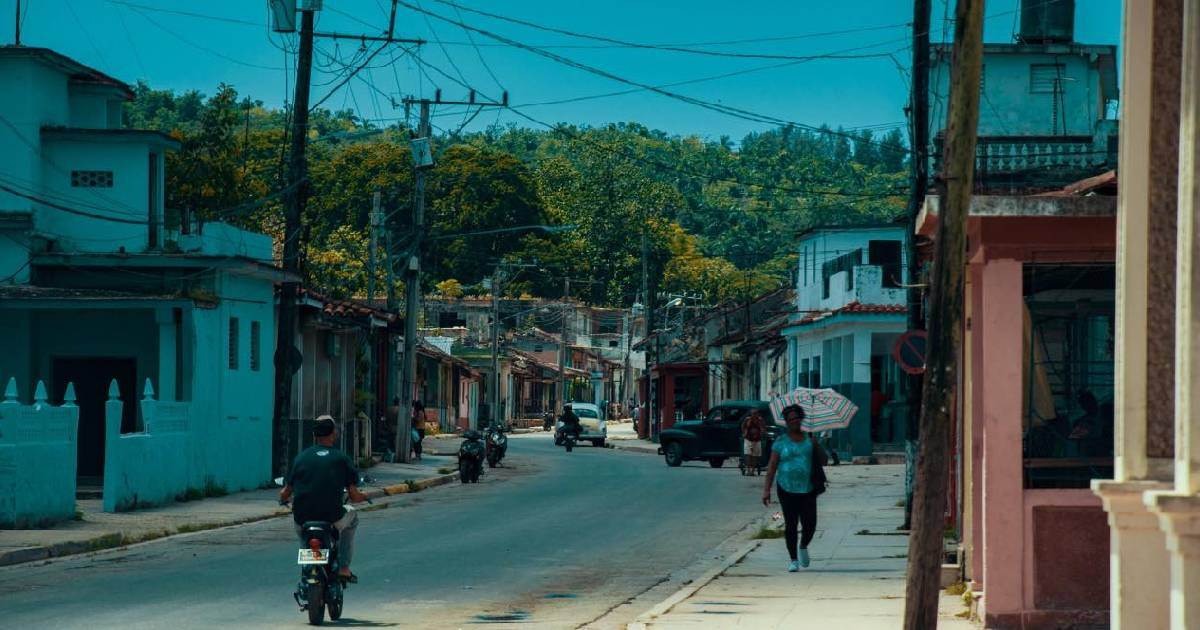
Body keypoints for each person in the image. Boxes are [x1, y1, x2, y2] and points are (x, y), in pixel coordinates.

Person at [279, 415, 370, 582]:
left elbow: (285, 492)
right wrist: (364, 496)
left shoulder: (301, 458)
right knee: (353, 518)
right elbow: (354, 496)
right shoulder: (342, 458)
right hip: (332, 518)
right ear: (333, 433)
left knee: (303, 536)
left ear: (315, 435)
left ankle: (308, 567)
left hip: (303, 519)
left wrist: (283, 499)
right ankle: (343, 568)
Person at [762, 405, 827, 572]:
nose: (794, 421)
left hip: (808, 488)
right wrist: (766, 490)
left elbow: (824, 461)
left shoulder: (809, 439)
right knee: (791, 524)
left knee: (810, 523)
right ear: (787, 422)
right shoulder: (780, 441)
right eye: (791, 419)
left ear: (801, 419)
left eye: (797, 418)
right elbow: (772, 467)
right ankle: (793, 559)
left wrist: (816, 445)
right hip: (786, 487)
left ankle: (803, 545)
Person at [741, 409, 767, 474]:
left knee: (755, 455)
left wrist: (762, 431)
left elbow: (764, 428)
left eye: (756, 413)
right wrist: (744, 432)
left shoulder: (760, 420)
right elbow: (743, 426)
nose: (754, 415)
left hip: (757, 439)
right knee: (748, 454)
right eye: (753, 413)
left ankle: (752, 470)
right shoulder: (747, 420)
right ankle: (748, 469)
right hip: (748, 439)